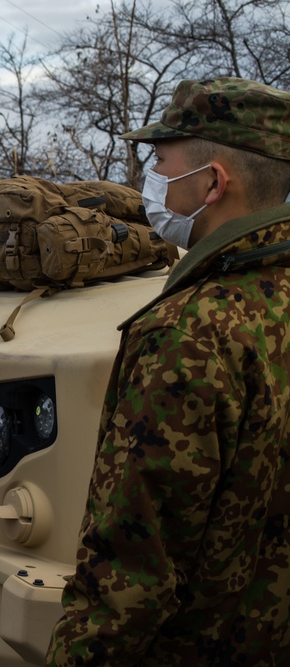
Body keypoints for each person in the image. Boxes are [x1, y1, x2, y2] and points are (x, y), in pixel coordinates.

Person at [47, 77, 290, 664]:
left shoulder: (191, 333)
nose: (150, 180)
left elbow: (131, 578)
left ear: (213, 183)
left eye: (160, 162)